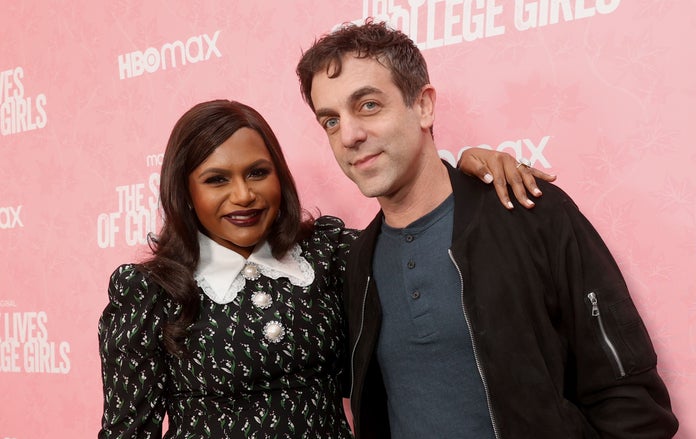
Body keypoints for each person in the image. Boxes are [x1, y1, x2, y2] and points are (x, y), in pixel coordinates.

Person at [296, 19, 679, 438]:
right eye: (330, 121)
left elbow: (629, 397)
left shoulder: (528, 211)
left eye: (368, 105)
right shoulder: (358, 262)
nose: (349, 135)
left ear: (423, 106)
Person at [97, 100, 547, 437]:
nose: (243, 195)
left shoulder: (326, 254)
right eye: (217, 179)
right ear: (184, 192)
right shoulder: (148, 291)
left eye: (257, 173)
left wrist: (464, 173)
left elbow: (410, 231)